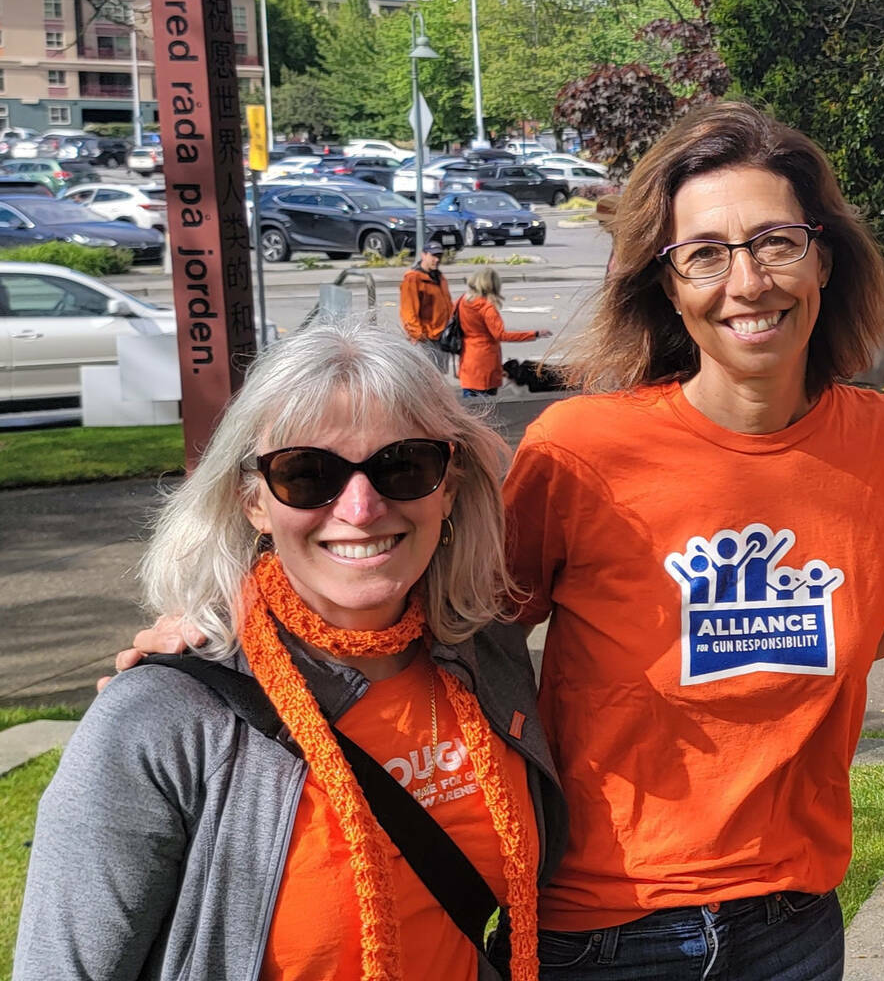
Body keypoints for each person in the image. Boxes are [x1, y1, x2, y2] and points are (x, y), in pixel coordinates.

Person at [501, 101, 884, 978]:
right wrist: (212, 640)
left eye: (776, 242)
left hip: (793, 924)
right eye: (706, 255)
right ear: (667, 284)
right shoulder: (579, 450)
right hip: (603, 928)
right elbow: (456, 627)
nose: (748, 281)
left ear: (824, 259)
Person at [14, 319, 566, 981]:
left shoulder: (486, 654)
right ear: (252, 499)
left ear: (448, 485)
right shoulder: (161, 722)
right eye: (307, 474)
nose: (360, 508)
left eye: (404, 465)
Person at [457, 268, 553, 398]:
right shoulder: (487, 308)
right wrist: (534, 334)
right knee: (487, 409)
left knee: (469, 406)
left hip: (467, 362)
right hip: (485, 365)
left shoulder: (461, 302)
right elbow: (501, 335)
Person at [401, 239, 456, 372]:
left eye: (439, 256)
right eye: (433, 256)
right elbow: (409, 311)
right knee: (428, 375)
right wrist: (418, 335)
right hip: (427, 337)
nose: (436, 259)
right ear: (423, 255)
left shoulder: (439, 277)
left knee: (439, 375)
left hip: (441, 334)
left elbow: (446, 304)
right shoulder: (414, 279)